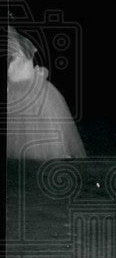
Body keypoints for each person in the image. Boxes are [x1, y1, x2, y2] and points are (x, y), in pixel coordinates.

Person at [6, 26, 87, 160]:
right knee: (41, 120)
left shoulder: (11, 45)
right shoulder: (25, 42)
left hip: (20, 84)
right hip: (31, 82)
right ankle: (54, 150)